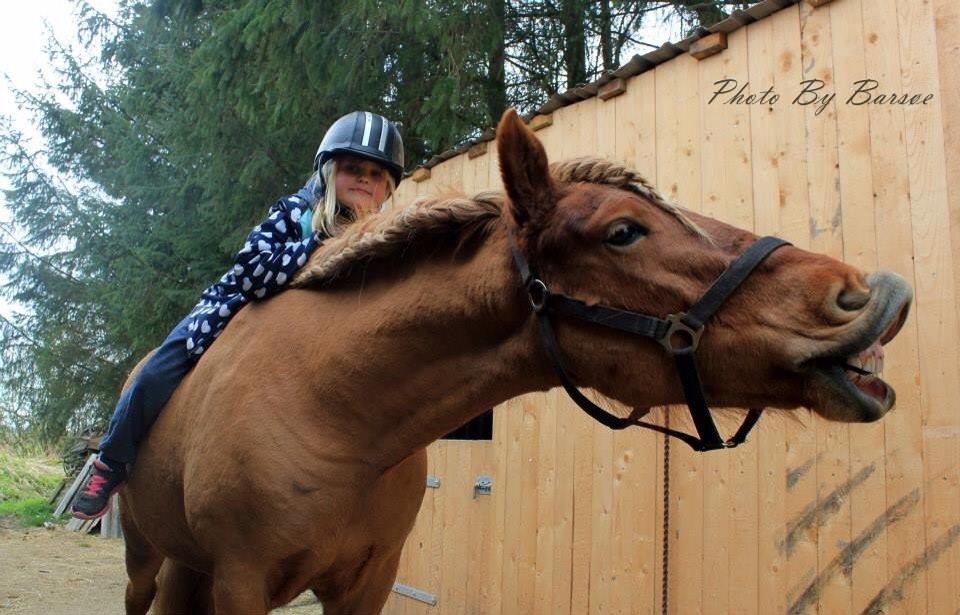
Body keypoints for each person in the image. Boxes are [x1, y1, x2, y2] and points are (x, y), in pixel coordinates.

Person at [72, 111, 404, 519]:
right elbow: (251, 272)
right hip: (230, 311)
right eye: (352, 168)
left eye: (375, 173)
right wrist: (320, 249)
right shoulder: (295, 214)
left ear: (387, 187)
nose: (363, 179)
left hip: (305, 344)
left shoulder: (383, 244)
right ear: (327, 171)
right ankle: (111, 462)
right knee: (156, 372)